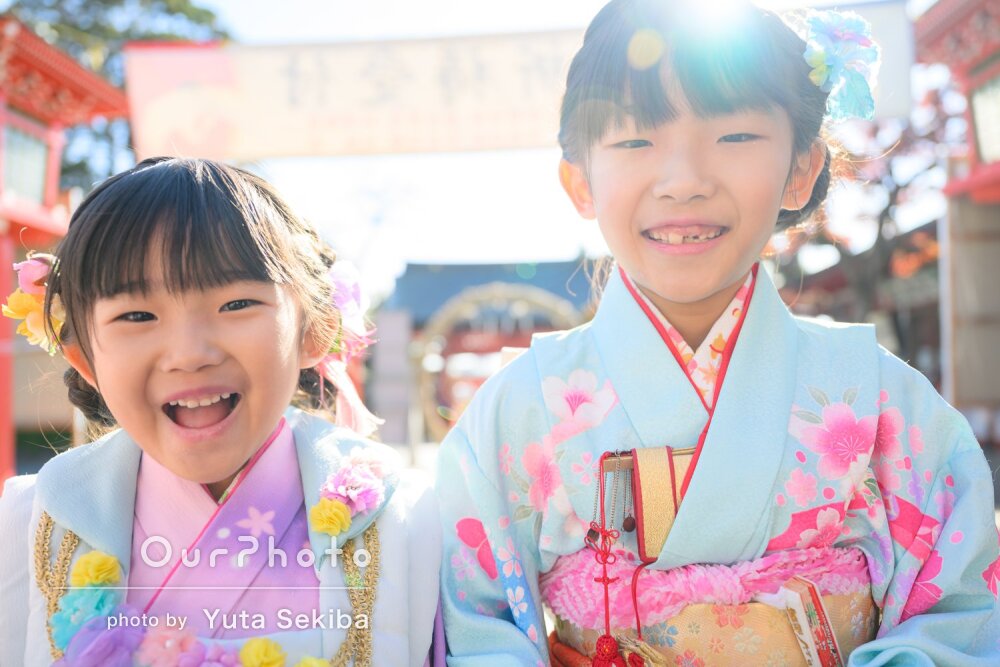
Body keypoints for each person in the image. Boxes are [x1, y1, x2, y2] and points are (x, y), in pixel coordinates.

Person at [435, 1, 1000, 664]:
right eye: (635, 141)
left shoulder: (883, 401)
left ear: (801, 169)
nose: (684, 182)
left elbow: (962, 619)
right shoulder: (518, 410)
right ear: (580, 181)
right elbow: (478, 629)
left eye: (734, 136)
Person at [0, 157, 441, 666]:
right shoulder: (34, 523)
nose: (190, 354)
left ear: (314, 330)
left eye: (235, 305)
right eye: (137, 315)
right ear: (85, 361)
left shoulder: (404, 518)